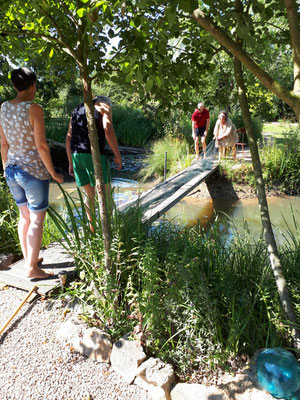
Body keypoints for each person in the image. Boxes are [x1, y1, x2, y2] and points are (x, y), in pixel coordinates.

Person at [0, 67, 64, 279]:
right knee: (37, 218)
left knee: (24, 216)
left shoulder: (4, 108)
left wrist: (5, 167)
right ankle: (31, 269)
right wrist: (53, 173)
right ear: (33, 84)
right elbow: (42, 146)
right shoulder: (34, 109)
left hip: (11, 169)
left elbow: (3, 144)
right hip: (33, 171)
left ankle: (31, 259)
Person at [65, 96, 122, 231]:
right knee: (106, 195)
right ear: (106, 103)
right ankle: (108, 230)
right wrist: (117, 155)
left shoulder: (76, 110)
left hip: (76, 155)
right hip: (93, 155)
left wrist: (70, 162)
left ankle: (92, 229)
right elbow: (107, 129)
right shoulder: (104, 107)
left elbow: (68, 138)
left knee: (89, 194)